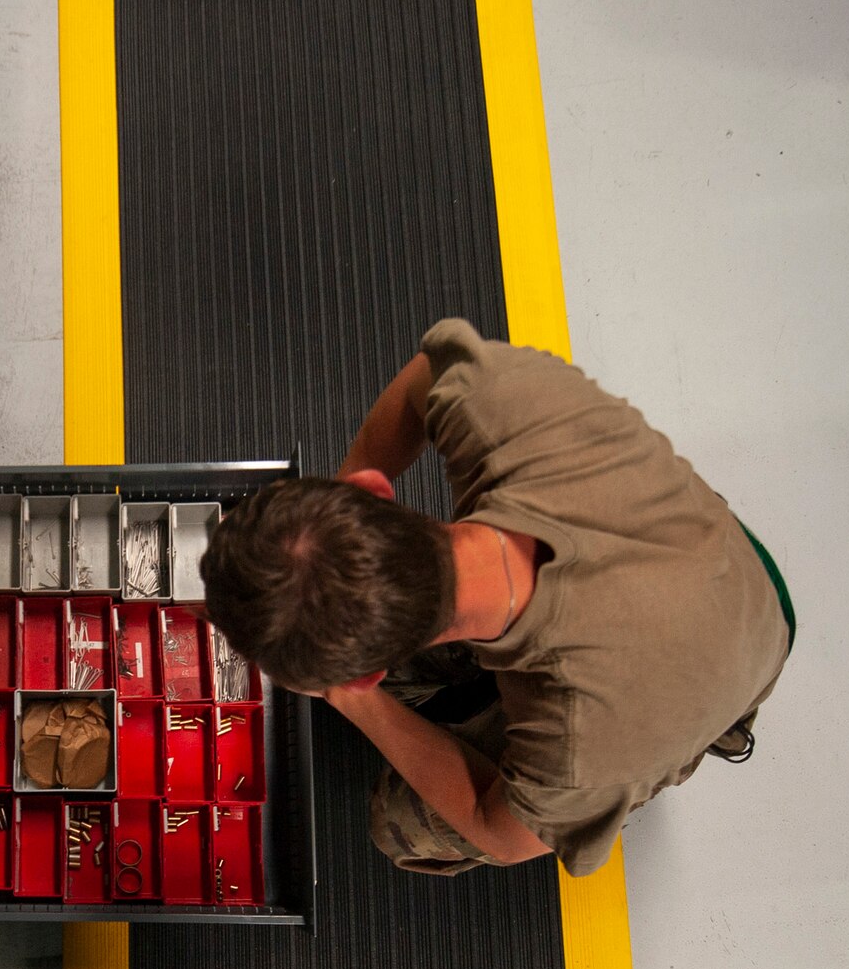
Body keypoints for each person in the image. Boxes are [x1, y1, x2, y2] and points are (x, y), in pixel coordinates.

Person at [201, 319, 795, 876]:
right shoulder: (503, 401)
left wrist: (346, 698)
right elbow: (419, 380)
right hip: (670, 538)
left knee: (400, 820)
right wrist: (341, 522)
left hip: (732, 639)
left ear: (366, 675)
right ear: (373, 489)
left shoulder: (581, 748)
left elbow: (500, 831)